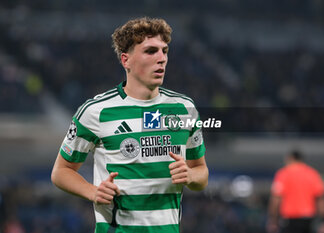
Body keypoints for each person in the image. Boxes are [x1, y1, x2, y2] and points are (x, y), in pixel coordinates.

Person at [51, 17, 209, 233]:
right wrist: (92, 191)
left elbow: (201, 172)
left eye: (165, 51)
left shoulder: (185, 108)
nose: (161, 58)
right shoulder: (95, 111)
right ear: (126, 60)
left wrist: (190, 176)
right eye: (151, 51)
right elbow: (61, 171)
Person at [266, 150, 324, 233]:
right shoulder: (312, 174)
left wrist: (273, 220)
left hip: (289, 219)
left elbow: (275, 199)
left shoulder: (283, 174)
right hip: (308, 219)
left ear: (290, 158)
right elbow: (321, 200)